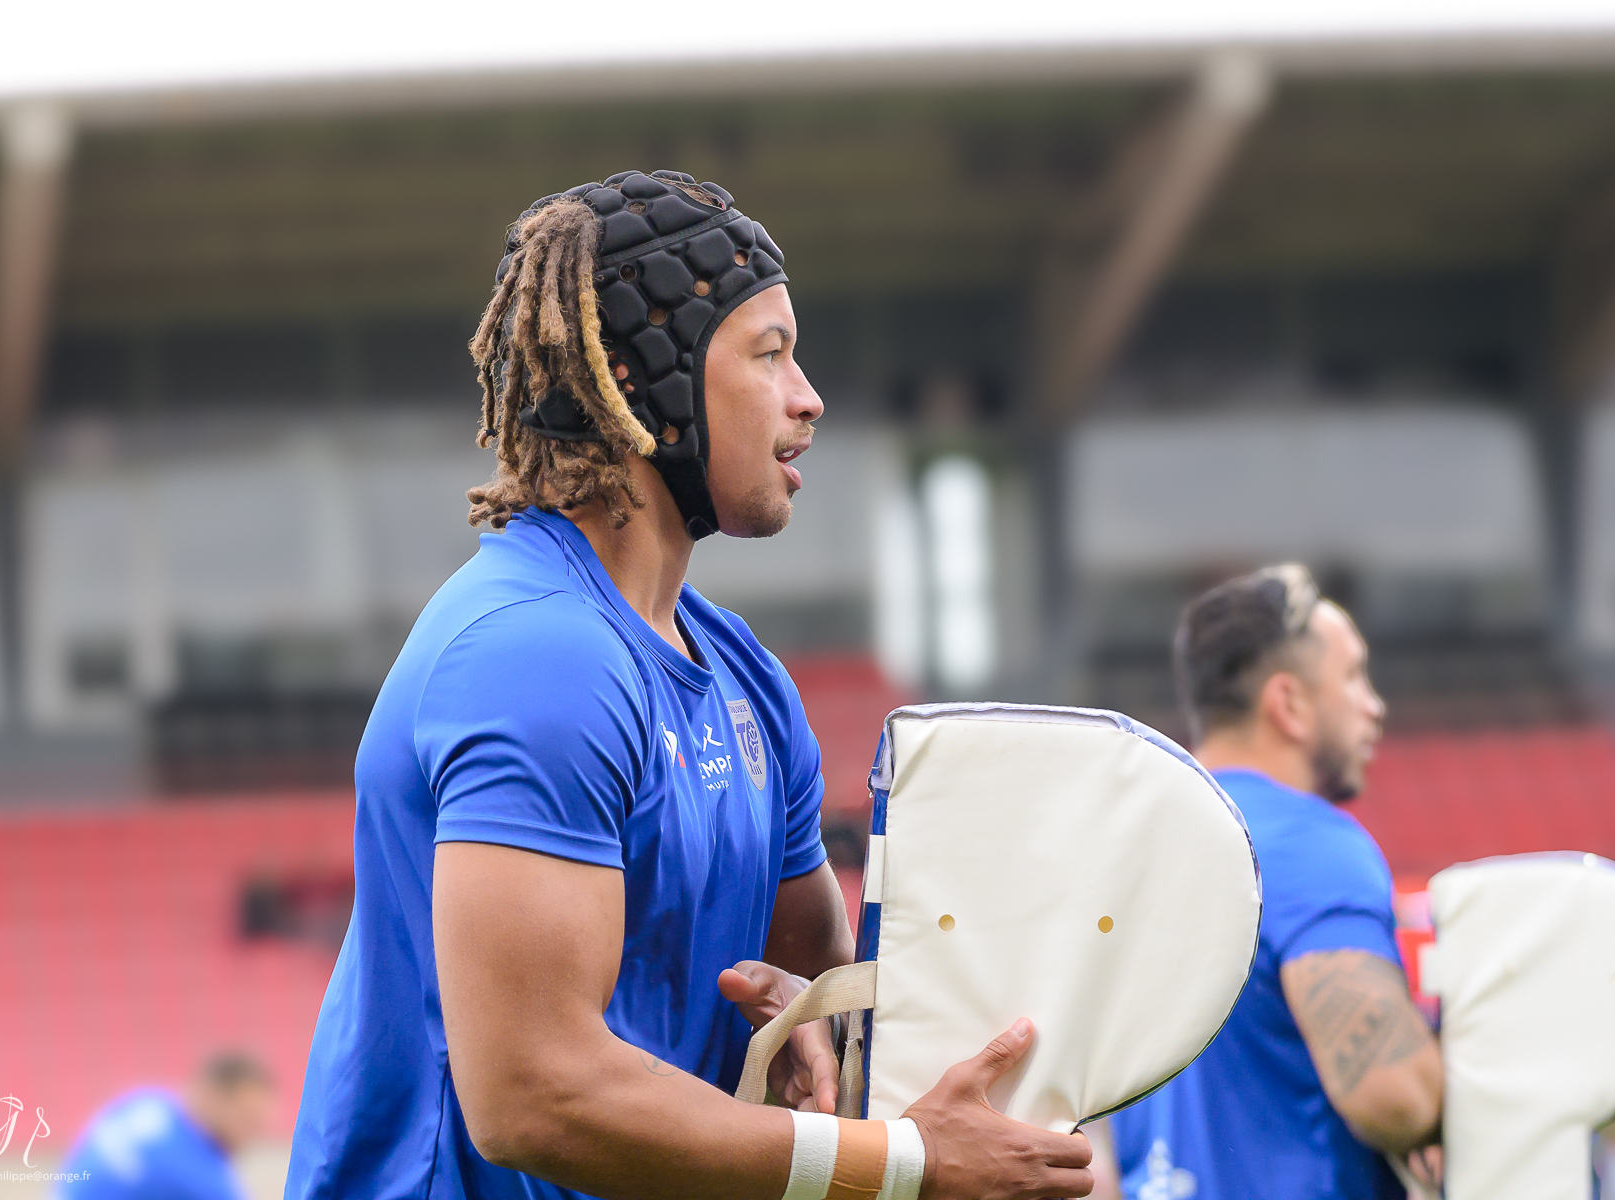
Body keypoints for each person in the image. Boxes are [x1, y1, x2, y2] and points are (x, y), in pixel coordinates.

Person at [283, 171, 1093, 1200]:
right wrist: (902, 1166)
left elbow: (831, 992)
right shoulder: (534, 657)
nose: (808, 397)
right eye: (768, 354)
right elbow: (533, 1094)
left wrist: (814, 1025)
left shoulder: (744, 675)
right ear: (638, 382)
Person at [1106, 564, 1442, 1199]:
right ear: (1288, 704)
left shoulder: (1128, 849)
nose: (1374, 706)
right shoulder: (1310, 843)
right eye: (1353, 676)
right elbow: (1391, 1097)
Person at [57, 1051, 272, 1200]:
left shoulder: (144, 1100)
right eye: (248, 1119)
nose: (252, 1134)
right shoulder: (202, 1172)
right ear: (214, 1097)